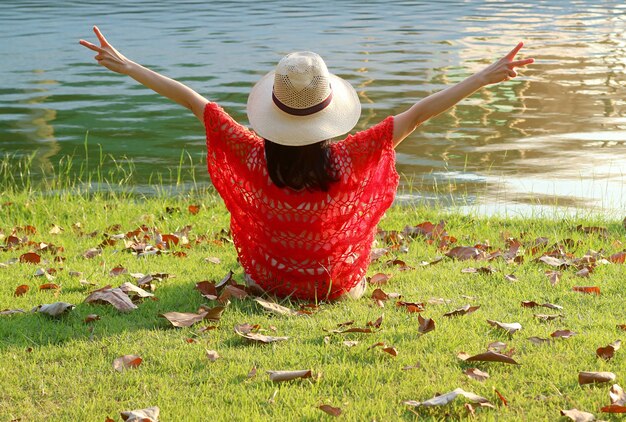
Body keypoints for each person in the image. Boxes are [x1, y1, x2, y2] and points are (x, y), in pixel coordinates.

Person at [80, 26, 534, 301]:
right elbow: (418, 113)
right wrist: (482, 76)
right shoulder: (348, 157)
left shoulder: (249, 152)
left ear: (273, 106)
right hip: (333, 285)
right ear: (327, 108)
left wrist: (130, 66)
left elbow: (192, 100)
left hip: (267, 278)